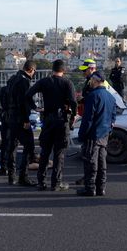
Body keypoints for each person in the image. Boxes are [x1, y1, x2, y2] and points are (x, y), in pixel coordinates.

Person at [26, 59, 77, 191]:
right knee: (59, 153)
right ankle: (56, 183)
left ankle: (41, 182)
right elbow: (73, 102)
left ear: (52, 70)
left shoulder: (44, 81)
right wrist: (73, 116)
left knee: (45, 152)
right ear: (64, 70)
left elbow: (28, 95)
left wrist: (35, 108)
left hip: (48, 120)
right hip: (62, 121)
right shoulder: (67, 83)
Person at [77, 71, 116, 196]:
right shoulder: (111, 97)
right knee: (101, 162)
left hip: (93, 135)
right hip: (104, 135)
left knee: (90, 162)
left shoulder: (93, 96)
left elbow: (88, 119)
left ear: (95, 80)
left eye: (91, 80)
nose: (90, 82)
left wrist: (81, 135)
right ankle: (101, 188)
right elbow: (113, 117)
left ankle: (90, 188)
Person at [6, 60, 37, 186]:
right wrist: (26, 120)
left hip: (10, 116)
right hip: (20, 118)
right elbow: (23, 102)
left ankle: (11, 176)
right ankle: (23, 176)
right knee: (29, 146)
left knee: (12, 146)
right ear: (31, 70)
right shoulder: (24, 81)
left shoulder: (13, 79)